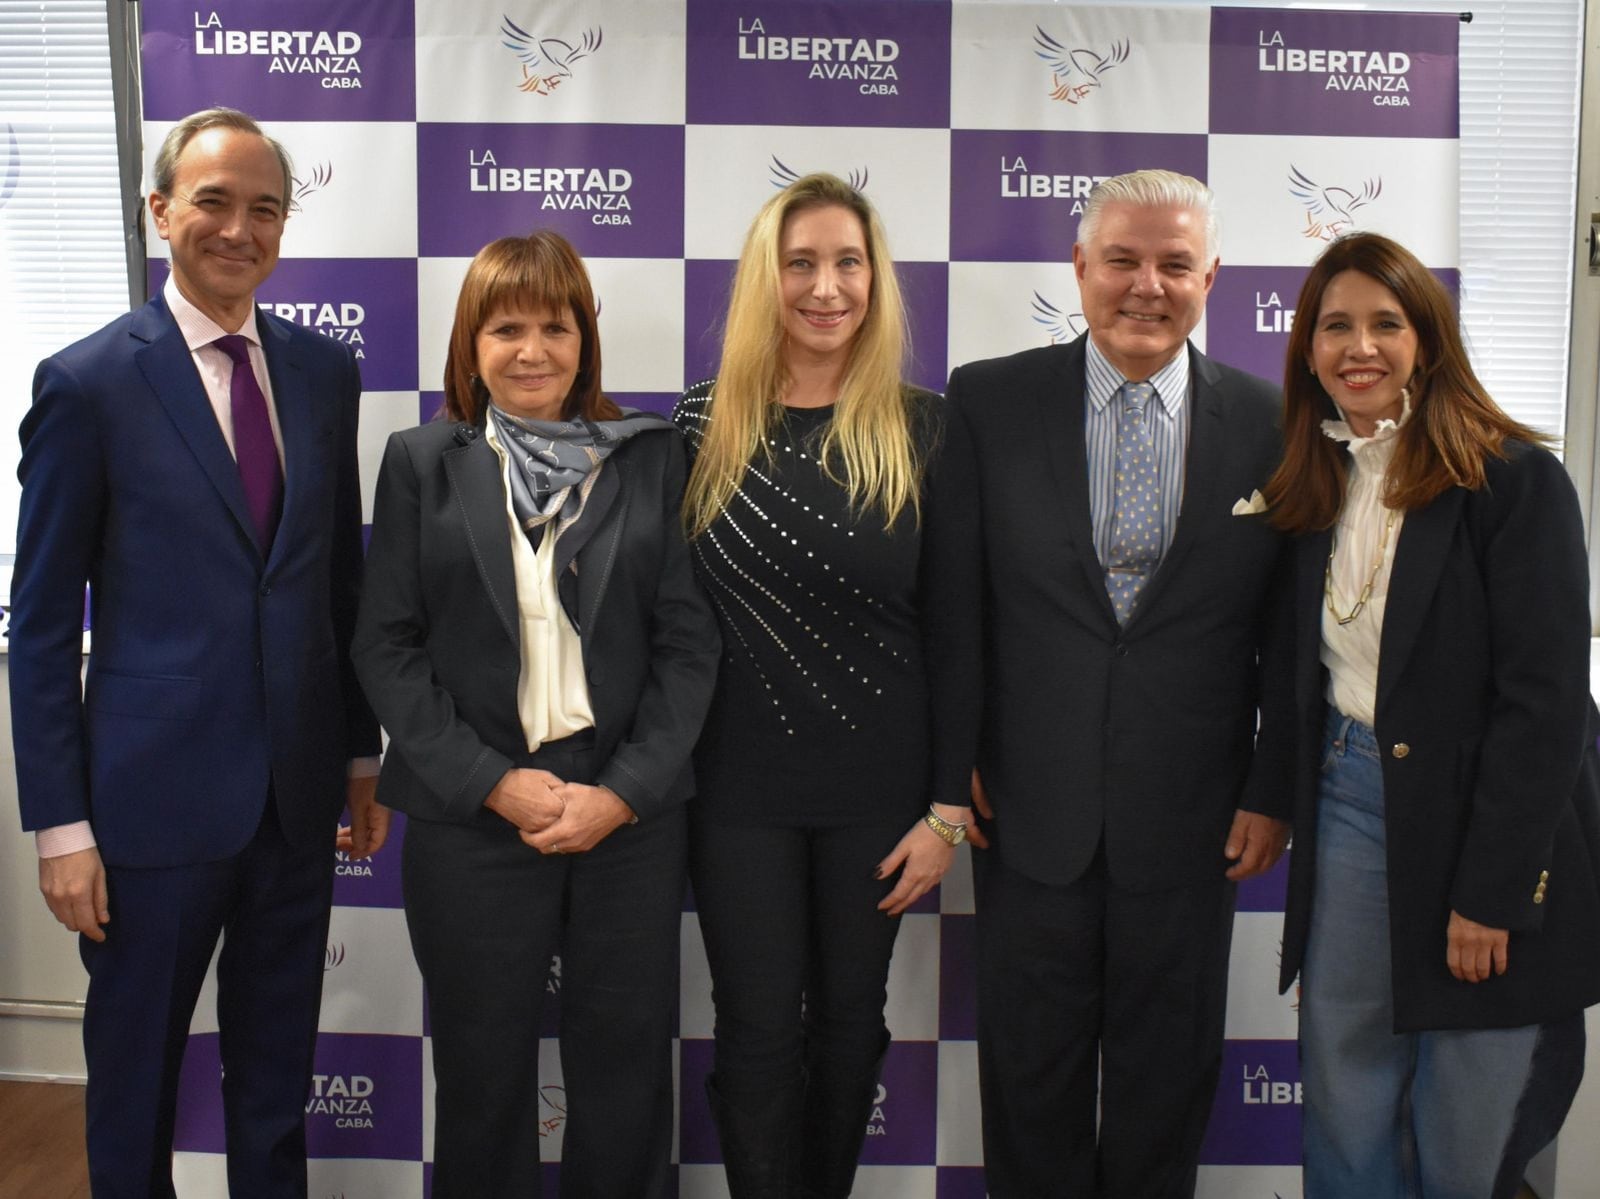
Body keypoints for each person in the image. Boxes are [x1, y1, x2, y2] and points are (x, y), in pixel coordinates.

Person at [9, 107, 384, 1195]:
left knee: (276, 1078)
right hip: (145, 814)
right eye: (213, 200)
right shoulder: (86, 384)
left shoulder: (322, 373)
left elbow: (334, 582)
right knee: (136, 1081)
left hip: (295, 798)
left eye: (264, 207)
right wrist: (60, 825)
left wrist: (359, 752)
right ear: (159, 210)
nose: (238, 227)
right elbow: (38, 623)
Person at [925, 168, 1295, 1198]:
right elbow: (957, 609)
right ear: (1079, 267)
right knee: (1030, 1081)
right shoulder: (990, 399)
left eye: (1174, 263)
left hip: (1192, 819)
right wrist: (952, 772)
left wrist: (1271, 788)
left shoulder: (1272, 423)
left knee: (1164, 1084)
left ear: (1211, 275)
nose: (1147, 285)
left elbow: (1289, 631)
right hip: (1026, 811)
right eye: (1122, 259)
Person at [351, 230, 719, 1198]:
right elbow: (385, 643)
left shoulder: (649, 456)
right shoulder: (420, 461)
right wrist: (492, 782)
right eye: (504, 327)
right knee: (481, 1072)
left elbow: (689, 644)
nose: (530, 350)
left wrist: (623, 792)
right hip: (470, 813)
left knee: (626, 1069)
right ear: (469, 343)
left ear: (583, 339)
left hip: (626, 816)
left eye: (553, 326)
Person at [1263, 231, 1600, 1198]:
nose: (1358, 347)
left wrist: (1493, 890)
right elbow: (1299, 675)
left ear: (1429, 341)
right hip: (1349, 793)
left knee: (1471, 1105)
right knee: (1345, 1077)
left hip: (1482, 815)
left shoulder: (1515, 481)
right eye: (1335, 327)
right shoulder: (1317, 480)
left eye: (1385, 323)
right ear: (1309, 349)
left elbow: (1546, 710)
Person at [673, 172, 960, 1198]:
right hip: (734, 792)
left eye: (848, 262)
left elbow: (960, 635)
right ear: (767, 277)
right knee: (751, 1026)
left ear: (876, 279)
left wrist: (948, 810)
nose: (826, 286)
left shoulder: (926, 429)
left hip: (879, 798)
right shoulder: (701, 426)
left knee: (849, 1021)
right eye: (801, 262)